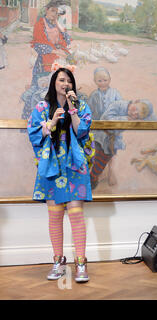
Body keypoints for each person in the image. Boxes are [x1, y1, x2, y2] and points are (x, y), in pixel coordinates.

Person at [27, 67, 93, 283]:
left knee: (76, 214)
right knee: (55, 215)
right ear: (54, 83)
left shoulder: (81, 106)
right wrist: (53, 122)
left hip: (74, 165)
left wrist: (73, 110)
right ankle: (58, 260)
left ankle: (81, 263)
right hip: (52, 165)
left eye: (69, 81)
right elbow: (35, 134)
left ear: (73, 86)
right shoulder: (42, 107)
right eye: (61, 80)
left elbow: (82, 132)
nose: (65, 84)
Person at [90, 98, 157, 189]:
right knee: (93, 156)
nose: (134, 114)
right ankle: (88, 177)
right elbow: (105, 119)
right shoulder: (118, 105)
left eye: (137, 116)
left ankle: (93, 177)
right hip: (100, 136)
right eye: (136, 109)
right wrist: (125, 119)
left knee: (102, 161)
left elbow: (153, 119)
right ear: (136, 101)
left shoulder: (131, 116)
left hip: (111, 141)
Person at [30, 1, 71, 86]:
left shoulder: (56, 25)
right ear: (46, 10)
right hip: (45, 61)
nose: (54, 14)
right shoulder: (40, 24)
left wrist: (58, 25)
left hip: (57, 60)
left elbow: (67, 40)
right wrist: (56, 52)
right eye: (52, 10)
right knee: (43, 87)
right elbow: (38, 45)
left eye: (57, 12)